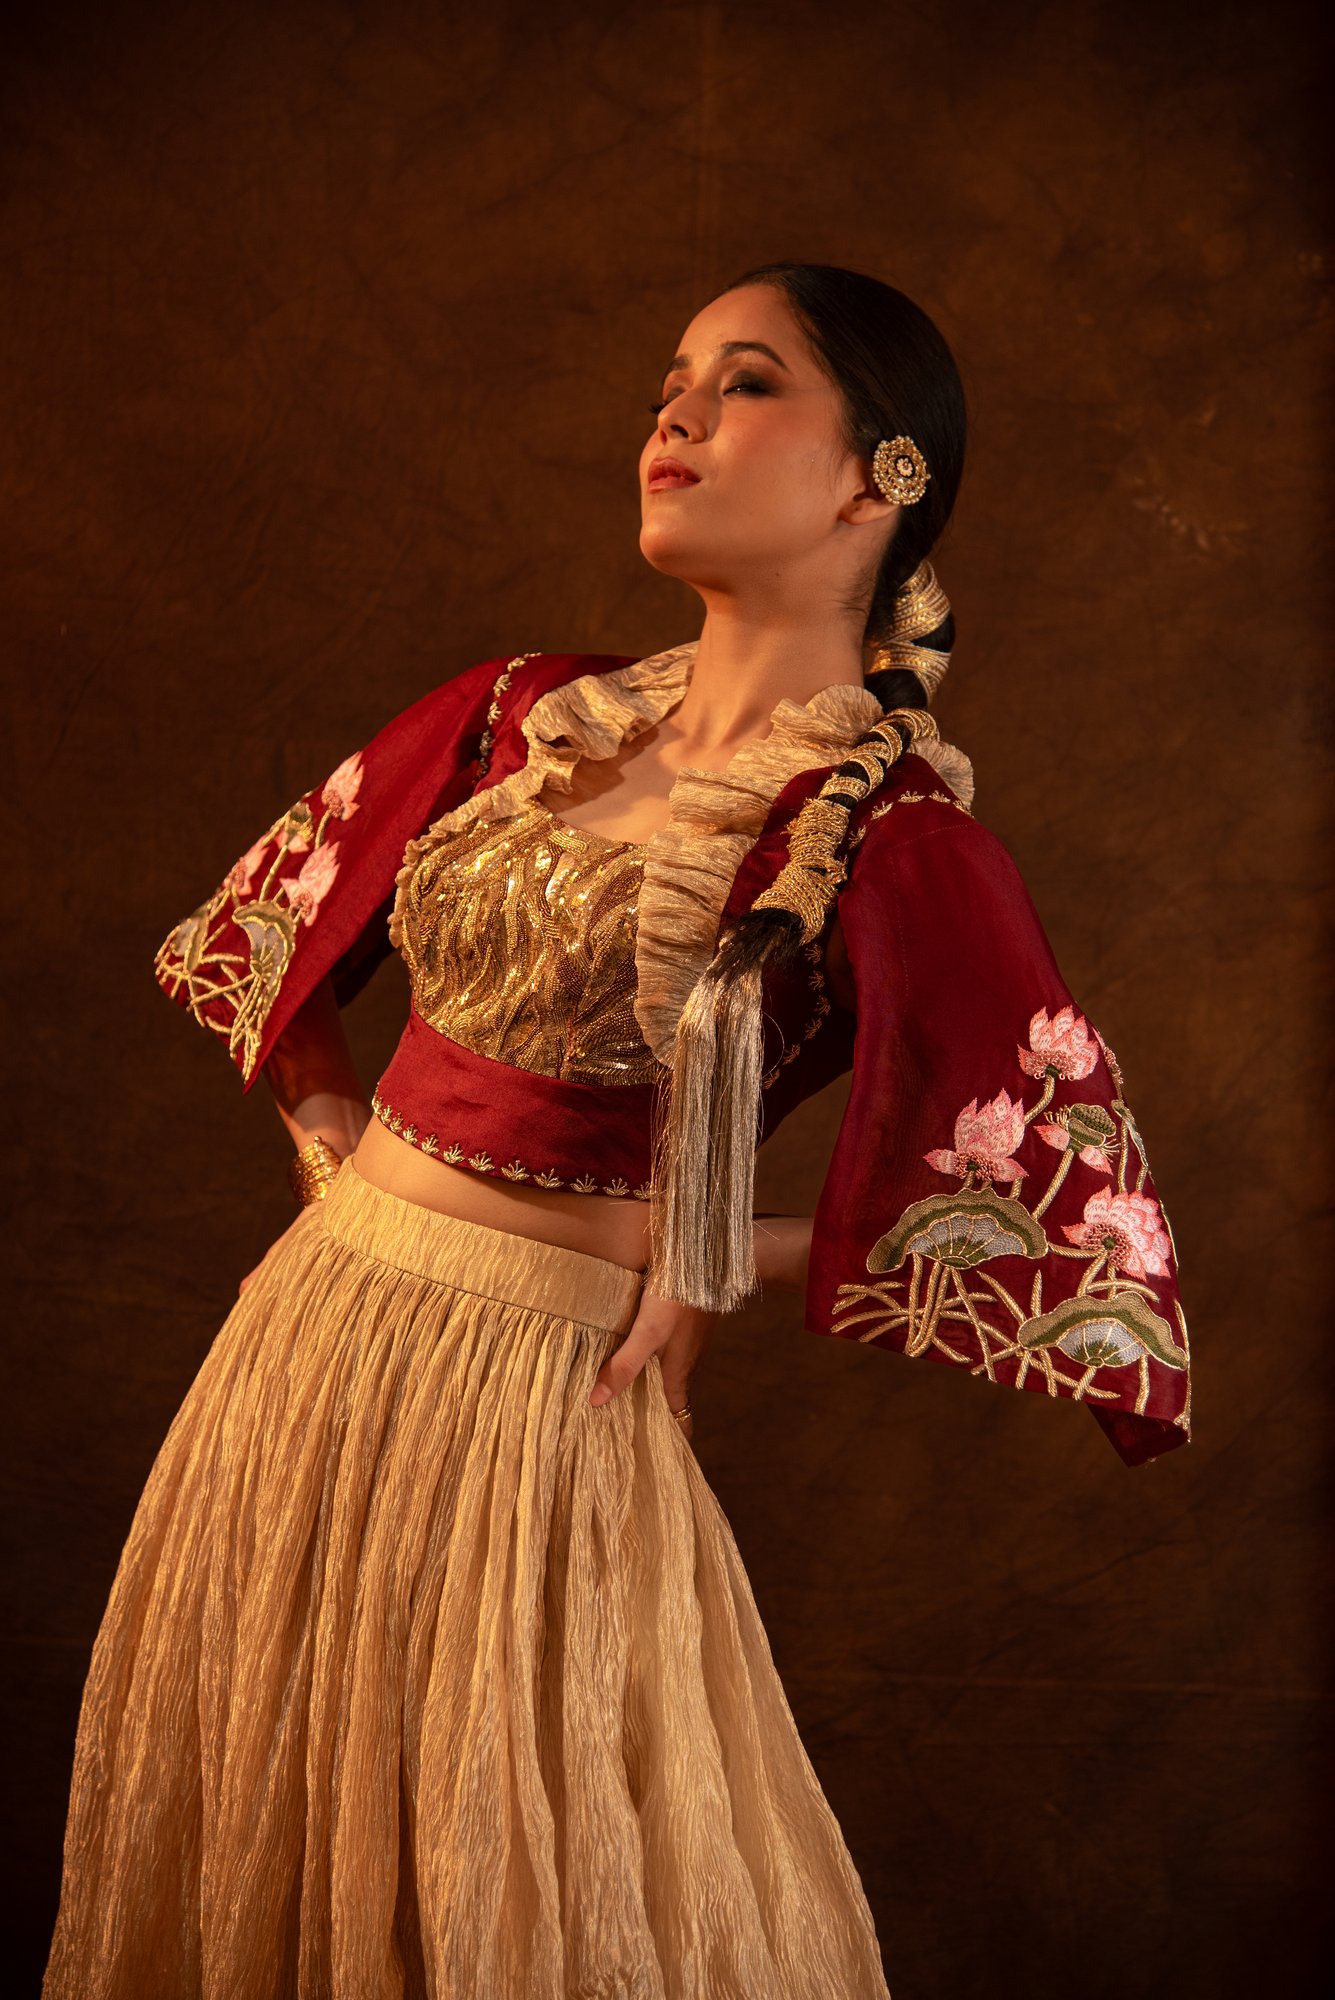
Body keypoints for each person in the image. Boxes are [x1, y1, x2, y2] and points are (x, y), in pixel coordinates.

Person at [42, 261, 1191, 1999]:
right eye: (673, 378)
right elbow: (271, 929)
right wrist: (333, 1142)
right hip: (302, 1351)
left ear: (879, 478)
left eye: (748, 382)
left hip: (538, 1405)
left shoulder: (888, 839)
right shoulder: (519, 715)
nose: (677, 410)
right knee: (264, 1860)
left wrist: (714, 1249)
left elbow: (1077, 1241)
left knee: (515, 1895)